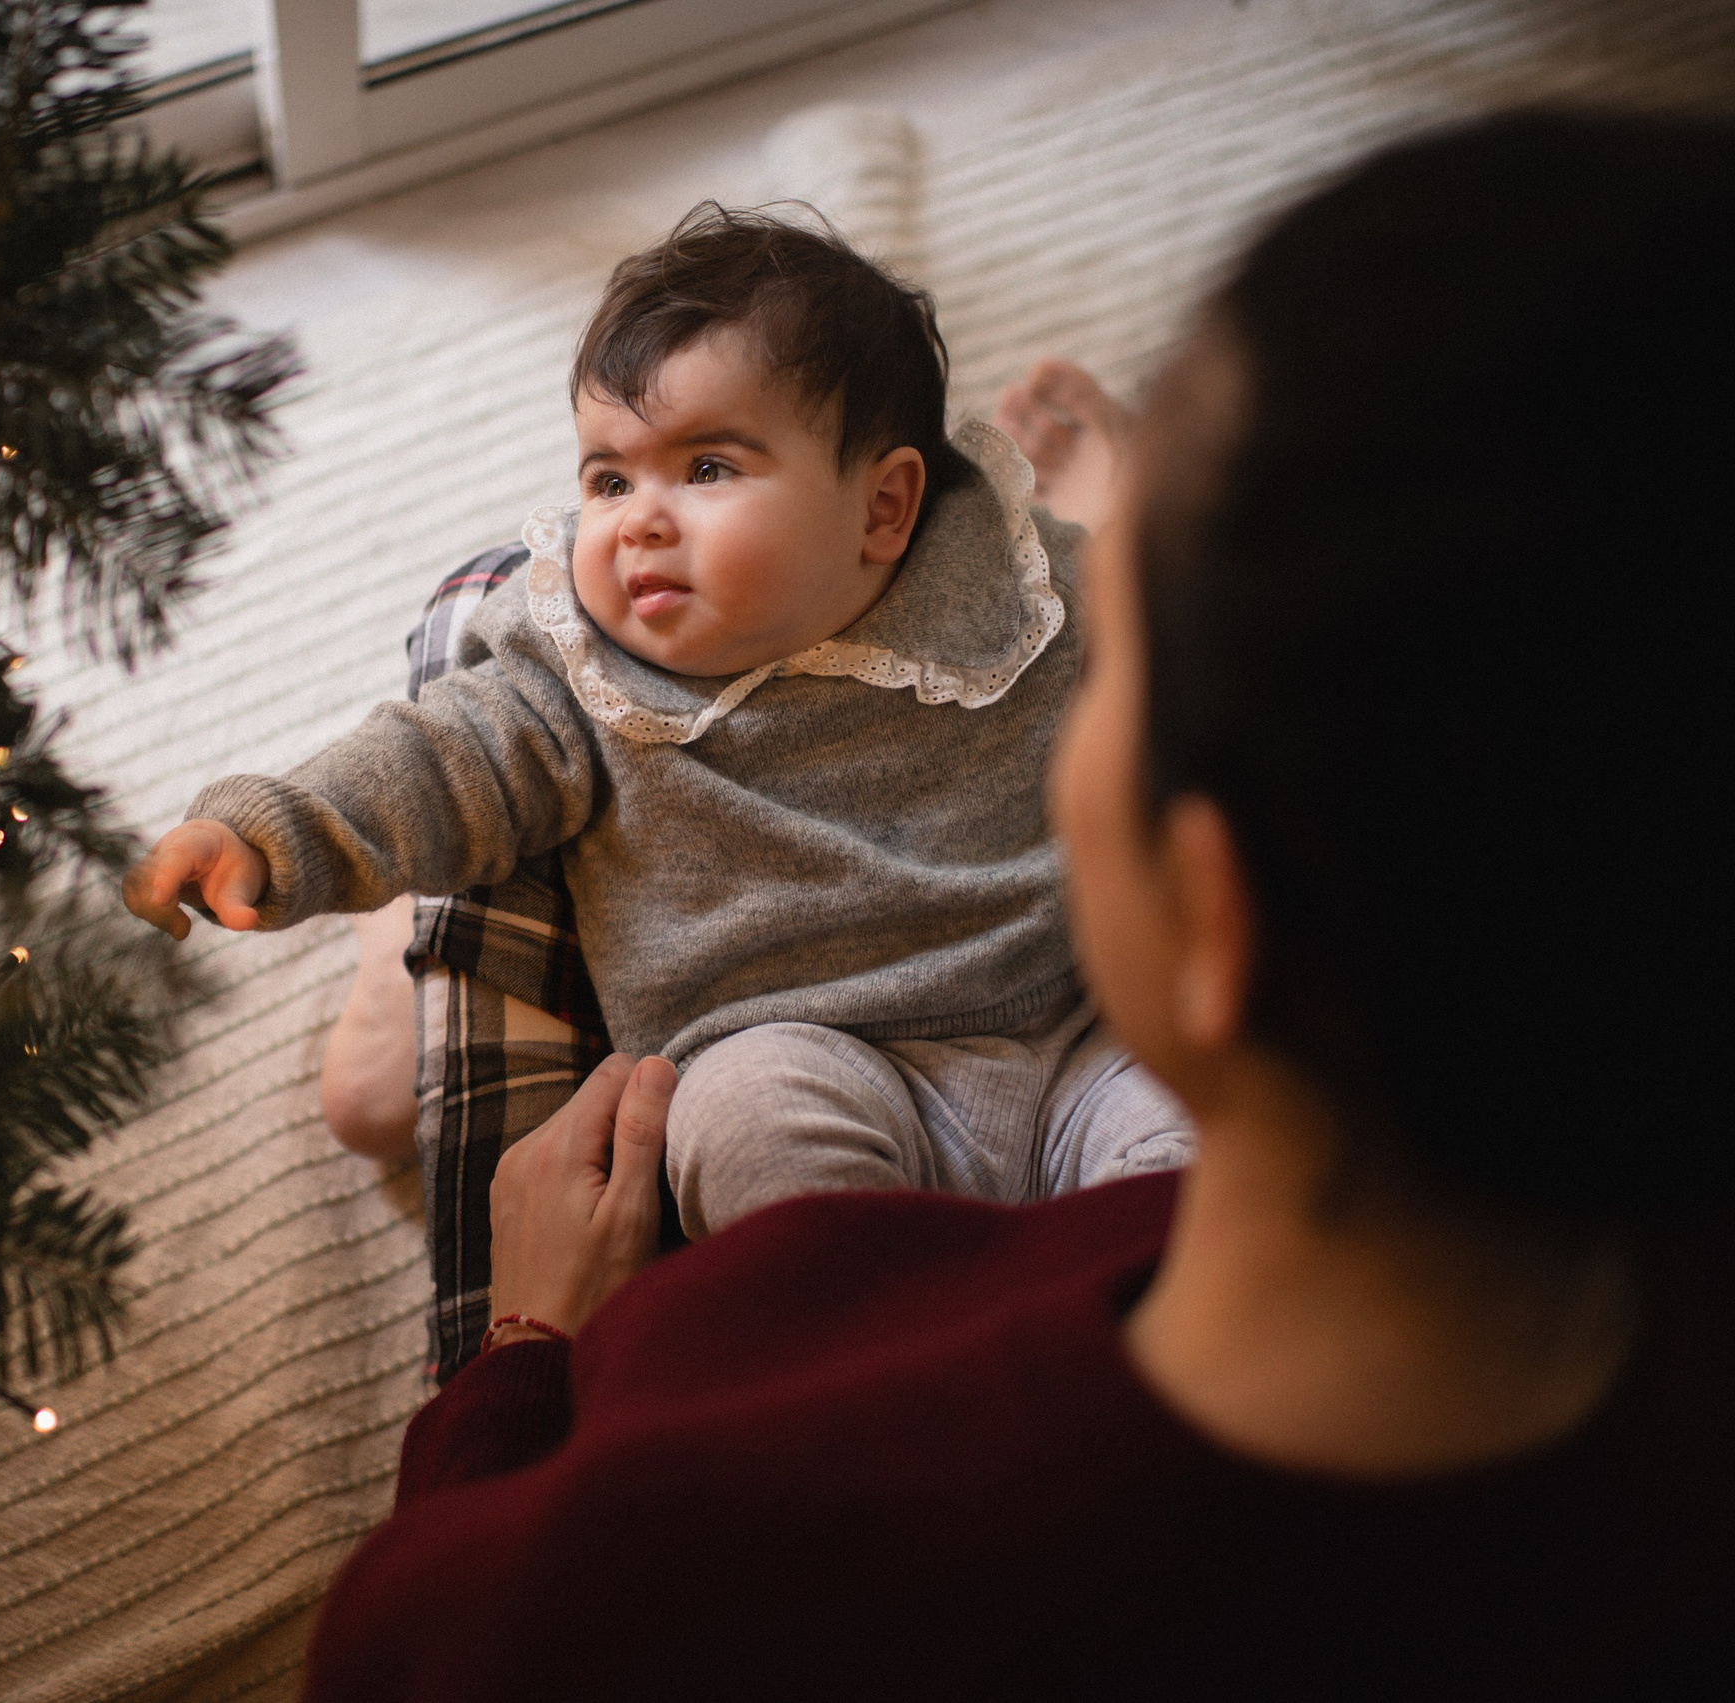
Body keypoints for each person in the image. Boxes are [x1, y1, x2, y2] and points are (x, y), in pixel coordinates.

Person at [297, 110, 1735, 1699]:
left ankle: (414, 945)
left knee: (460, 658)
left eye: (1130, 649)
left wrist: (526, 1348)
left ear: (1216, 907)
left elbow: (399, 1646)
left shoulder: (694, 1525)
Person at [127, 206, 1188, 1245]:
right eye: (606, 476)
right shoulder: (581, 669)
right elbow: (435, 756)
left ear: (882, 509)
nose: (637, 518)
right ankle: (888, 1350)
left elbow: (1193, 651)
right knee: (745, 1132)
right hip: (800, 1045)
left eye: (708, 467)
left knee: (1207, 1148)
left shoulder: (1012, 585)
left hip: (1082, 1024)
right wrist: (268, 829)